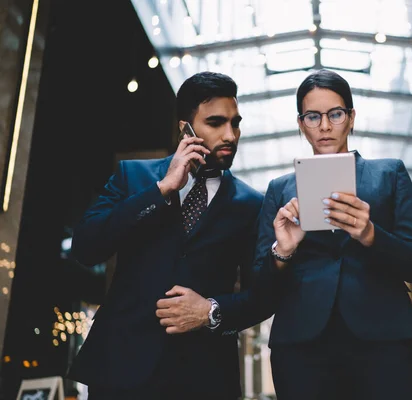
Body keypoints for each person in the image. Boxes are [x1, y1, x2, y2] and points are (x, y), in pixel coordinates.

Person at [213, 69, 412, 399]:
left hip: (383, 342)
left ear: (351, 117)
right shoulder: (279, 191)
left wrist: (371, 234)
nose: (325, 126)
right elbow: (258, 285)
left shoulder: (390, 174)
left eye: (335, 114)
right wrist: (282, 252)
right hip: (302, 350)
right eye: (313, 117)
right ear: (301, 124)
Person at [66, 71, 266, 400]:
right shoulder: (133, 176)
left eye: (235, 122)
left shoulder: (252, 204)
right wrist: (160, 191)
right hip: (121, 370)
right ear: (184, 127)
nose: (230, 135)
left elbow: (260, 294)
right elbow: (86, 247)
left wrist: (211, 310)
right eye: (216, 122)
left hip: (205, 376)